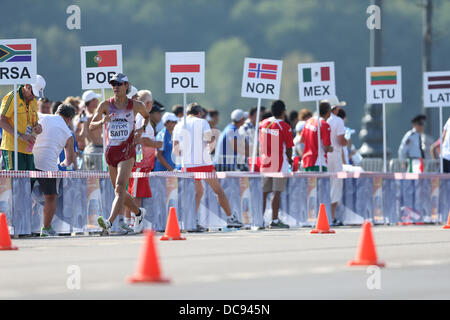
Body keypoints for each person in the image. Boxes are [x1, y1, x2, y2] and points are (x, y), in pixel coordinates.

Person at [89, 73, 150, 234]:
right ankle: (138, 213)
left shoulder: (135, 105)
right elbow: (91, 126)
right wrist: (102, 121)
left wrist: (141, 129)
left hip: (127, 151)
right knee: (119, 191)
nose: (115, 86)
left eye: (118, 83)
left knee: (120, 186)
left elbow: (146, 116)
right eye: (112, 84)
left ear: (126, 86)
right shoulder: (105, 105)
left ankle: (108, 223)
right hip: (110, 152)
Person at [172, 103, 244, 229]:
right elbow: (210, 143)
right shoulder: (202, 122)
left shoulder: (178, 125)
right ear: (199, 113)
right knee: (218, 191)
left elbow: (176, 151)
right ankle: (230, 217)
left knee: (198, 192)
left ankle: (191, 220)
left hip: (187, 164)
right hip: (203, 163)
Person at [33, 104, 77, 236]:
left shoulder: (42, 116)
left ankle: (20, 227)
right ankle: (46, 228)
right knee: (51, 196)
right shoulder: (68, 133)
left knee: (25, 195)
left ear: (56, 112)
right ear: (69, 119)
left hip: (30, 160)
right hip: (48, 166)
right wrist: (63, 163)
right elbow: (68, 160)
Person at [259, 100, 293, 229]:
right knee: (276, 192)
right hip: (279, 163)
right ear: (283, 111)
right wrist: (290, 160)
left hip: (265, 161)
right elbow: (289, 147)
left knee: (264, 192)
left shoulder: (263, 124)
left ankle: (259, 219)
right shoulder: (284, 126)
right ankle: (274, 220)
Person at [0, 75, 45, 171]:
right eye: (33, 93)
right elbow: (1, 120)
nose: (34, 96)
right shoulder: (12, 97)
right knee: (16, 182)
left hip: (28, 150)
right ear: (27, 86)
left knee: (30, 183)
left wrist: (38, 127)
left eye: (36, 95)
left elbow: (35, 123)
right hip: (12, 149)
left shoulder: (33, 101)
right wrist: (21, 136)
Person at [324, 97, 348, 226]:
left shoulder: (321, 119)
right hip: (335, 155)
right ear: (335, 108)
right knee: (336, 184)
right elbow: (340, 140)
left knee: (325, 184)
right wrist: (346, 141)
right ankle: (331, 216)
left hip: (324, 156)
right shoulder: (338, 121)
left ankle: (325, 215)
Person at [301, 101, 333, 172]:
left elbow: (302, 139)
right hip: (318, 162)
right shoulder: (324, 125)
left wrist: (312, 144)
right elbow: (326, 148)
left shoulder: (309, 121)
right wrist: (332, 148)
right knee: (320, 183)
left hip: (306, 161)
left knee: (310, 183)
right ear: (328, 112)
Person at [77, 90, 103, 170]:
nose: (98, 101)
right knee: (100, 178)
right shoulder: (93, 117)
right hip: (97, 150)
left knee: (90, 179)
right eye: (95, 99)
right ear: (91, 101)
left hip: (89, 150)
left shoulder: (83, 116)